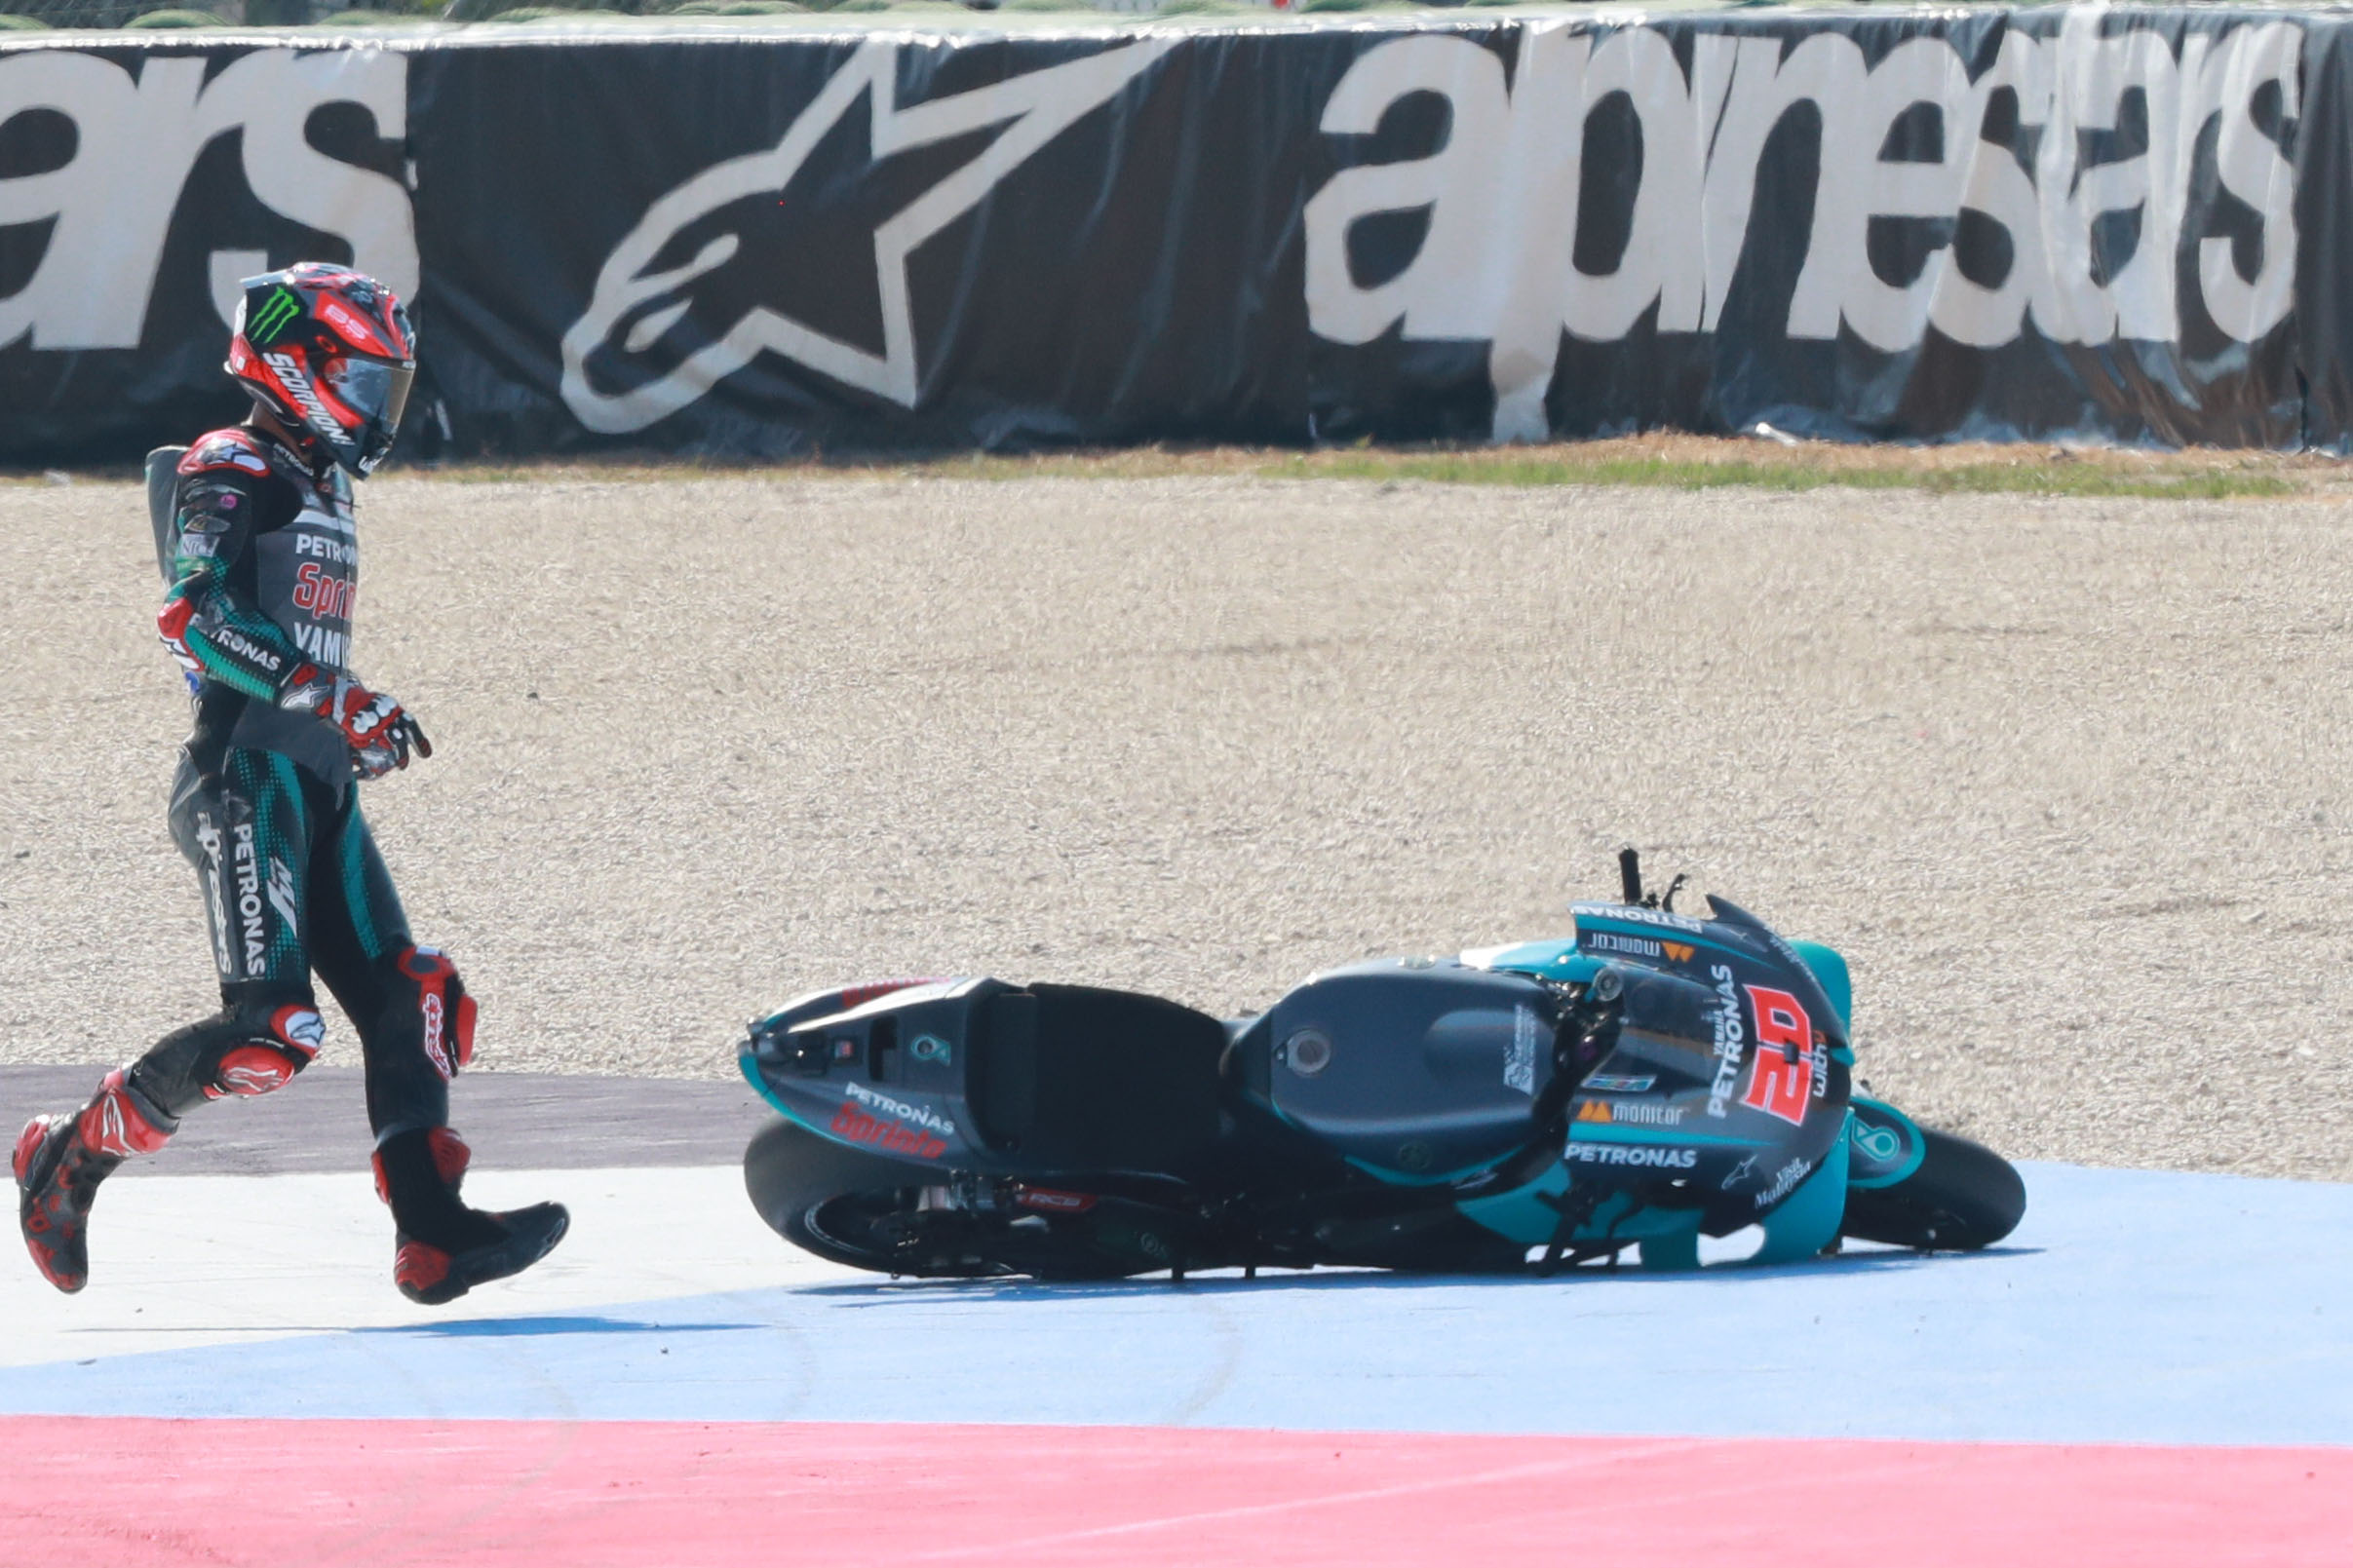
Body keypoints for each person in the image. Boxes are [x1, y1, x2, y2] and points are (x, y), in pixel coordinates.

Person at [13, 263, 568, 1305]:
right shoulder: (235, 461)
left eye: (383, 388)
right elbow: (194, 613)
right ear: (294, 367)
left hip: (312, 778)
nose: (375, 410)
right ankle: (66, 1158)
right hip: (242, 779)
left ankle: (434, 1233)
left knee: (417, 997)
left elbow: (282, 627)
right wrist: (331, 695)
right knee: (272, 1034)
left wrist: (341, 720)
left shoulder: (323, 477)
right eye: (361, 383)